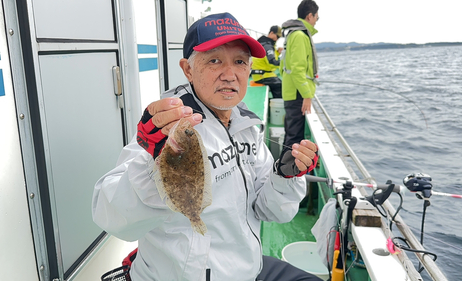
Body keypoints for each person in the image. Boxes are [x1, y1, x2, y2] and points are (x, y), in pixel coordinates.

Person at [92, 12, 320, 281]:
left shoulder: (245, 123)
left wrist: (284, 176)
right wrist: (153, 164)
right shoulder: (170, 125)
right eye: (214, 61)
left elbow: (268, 210)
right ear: (188, 69)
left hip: (249, 267)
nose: (229, 74)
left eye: (239, 62)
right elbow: (111, 217)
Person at [279, 0, 319, 157]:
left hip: (292, 92)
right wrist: (307, 95)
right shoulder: (300, 36)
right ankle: (286, 176)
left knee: (291, 135)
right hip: (297, 94)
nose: (316, 21)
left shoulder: (292, 34)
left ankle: (283, 171)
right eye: (317, 17)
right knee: (294, 140)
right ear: (310, 16)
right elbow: (297, 69)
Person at [251, 25, 283, 99]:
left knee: (277, 81)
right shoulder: (268, 46)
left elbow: (266, 58)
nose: (277, 39)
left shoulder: (264, 43)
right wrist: (285, 63)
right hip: (263, 75)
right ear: (271, 33)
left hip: (259, 74)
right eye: (277, 36)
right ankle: (278, 104)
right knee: (280, 85)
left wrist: (277, 53)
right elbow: (272, 62)